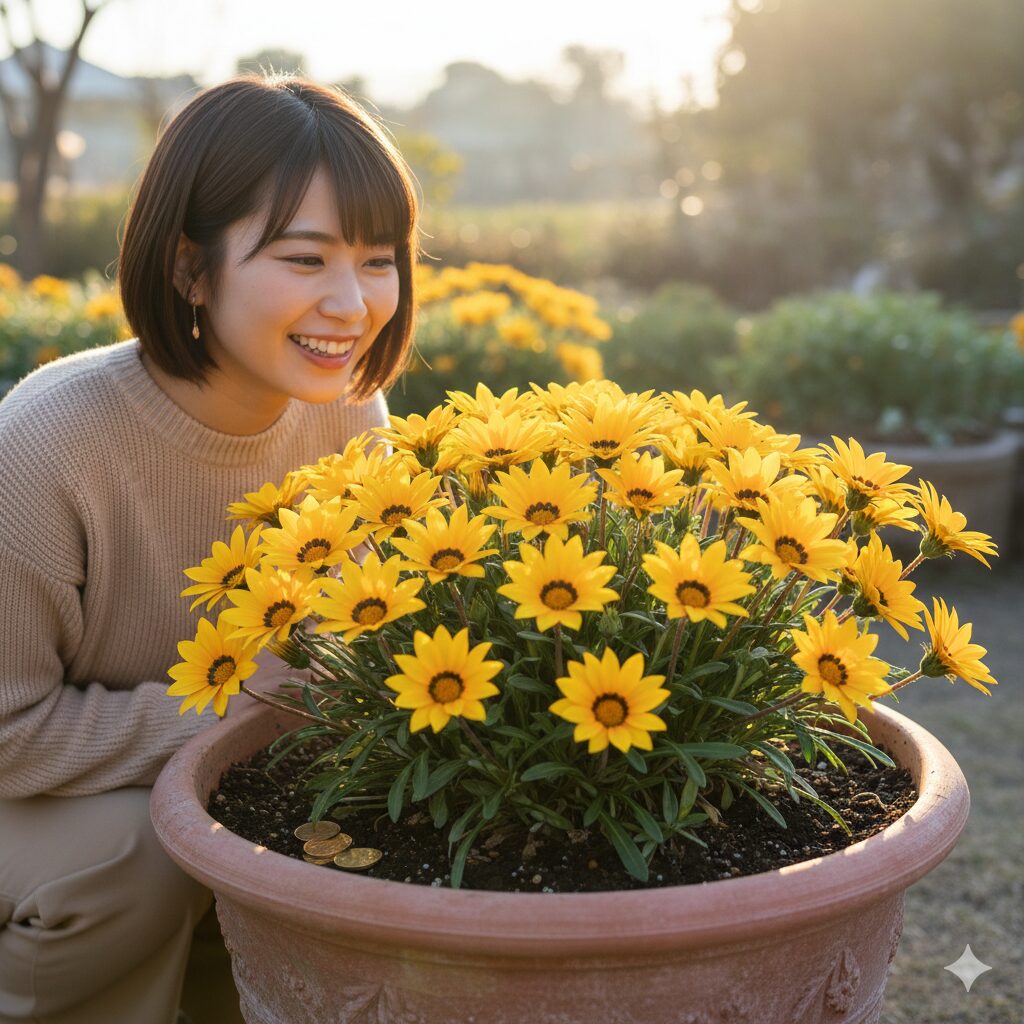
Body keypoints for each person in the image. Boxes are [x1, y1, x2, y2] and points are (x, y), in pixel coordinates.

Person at [0, 75, 419, 1024]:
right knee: (145, 852)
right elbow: (7, 730)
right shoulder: (48, 444)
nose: (353, 304)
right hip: (33, 790)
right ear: (191, 268)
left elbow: (352, 652)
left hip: (195, 763)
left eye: (379, 260)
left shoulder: (350, 414)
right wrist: (250, 711)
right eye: (306, 258)